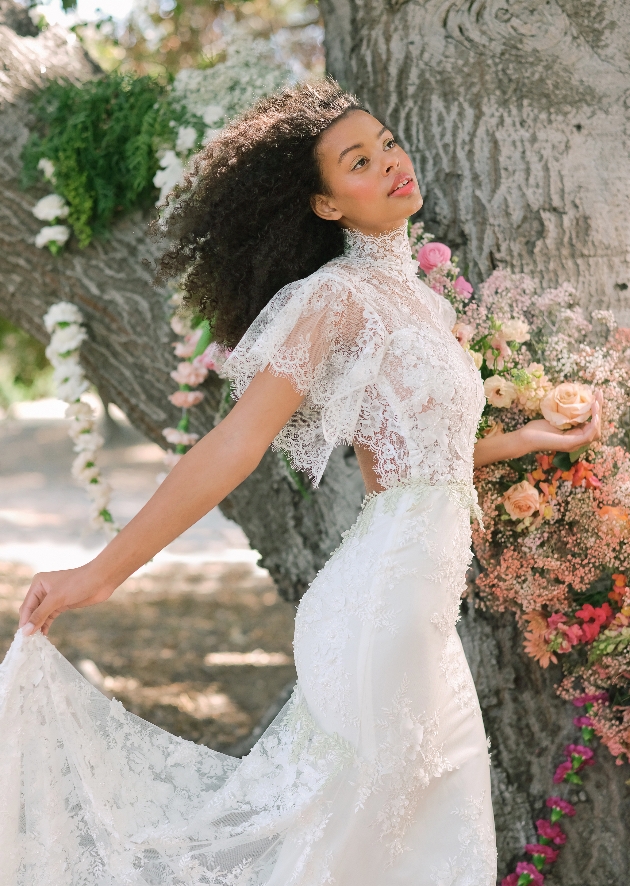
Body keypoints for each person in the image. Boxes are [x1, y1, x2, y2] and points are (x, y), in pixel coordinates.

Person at [0, 79, 602, 885]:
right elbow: (232, 445)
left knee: (438, 850)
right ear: (325, 206)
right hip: (382, 617)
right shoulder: (333, 300)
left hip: (418, 621)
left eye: (387, 143)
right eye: (359, 161)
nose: (391, 162)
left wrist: (524, 437)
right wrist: (101, 572)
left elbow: (396, 465)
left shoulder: (419, 302)